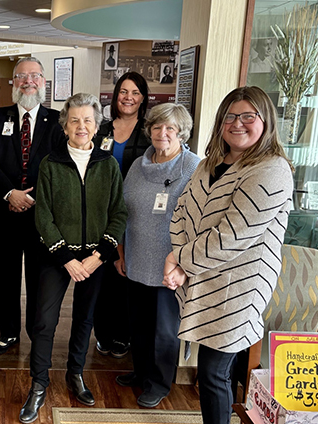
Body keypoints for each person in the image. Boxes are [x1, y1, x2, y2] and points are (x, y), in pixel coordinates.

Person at [163, 86, 293, 424]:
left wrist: (181, 263)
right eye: (230, 117)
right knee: (213, 372)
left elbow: (231, 237)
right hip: (201, 277)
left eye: (248, 116)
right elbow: (181, 212)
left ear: (265, 121)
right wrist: (178, 256)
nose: (238, 123)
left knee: (213, 373)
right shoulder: (210, 163)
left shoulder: (272, 170)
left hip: (240, 288)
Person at [19, 93, 127, 424]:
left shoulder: (108, 164)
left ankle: (75, 374)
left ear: (97, 127)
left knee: (84, 319)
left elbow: (118, 212)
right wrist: (66, 257)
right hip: (56, 257)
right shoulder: (50, 164)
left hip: (95, 256)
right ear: (65, 126)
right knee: (44, 321)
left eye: (88, 121)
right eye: (75, 120)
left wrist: (99, 256)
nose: (82, 126)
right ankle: (39, 383)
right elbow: (44, 215)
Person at [114, 103, 200, 408]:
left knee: (164, 329)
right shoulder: (139, 164)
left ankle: (159, 382)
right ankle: (140, 371)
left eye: (170, 129)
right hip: (136, 256)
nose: (162, 134)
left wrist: (183, 263)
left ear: (181, 133)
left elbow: (198, 219)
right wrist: (120, 251)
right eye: (157, 127)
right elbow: (122, 210)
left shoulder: (192, 167)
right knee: (138, 323)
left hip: (169, 263)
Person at [0, 57, 66, 355]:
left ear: (44, 82)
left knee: (39, 276)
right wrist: (9, 193)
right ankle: (8, 332)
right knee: (3, 275)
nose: (28, 81)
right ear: (12, 82)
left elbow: (60, 167)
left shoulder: (59, 120)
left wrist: (33, 197)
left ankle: (36, 332)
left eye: (35, 76)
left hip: (41, 214)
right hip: (3, 213)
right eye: (21, 77)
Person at [93, 71, 151, 359]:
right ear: (116, 96)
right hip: (101, 212)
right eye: (123, 92)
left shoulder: (149, 131)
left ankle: (123, 334)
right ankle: (103, 334)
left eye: (135, 93)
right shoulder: (101, 129)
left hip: (135, 214)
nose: (128, 97)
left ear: (143, 98)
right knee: (101, 276)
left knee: (126, 273)